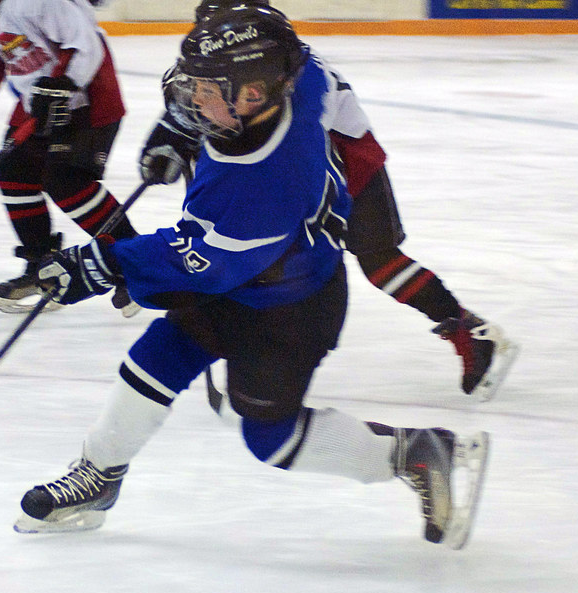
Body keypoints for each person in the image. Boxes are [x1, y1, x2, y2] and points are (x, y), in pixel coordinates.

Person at [13, 6, 490, 549]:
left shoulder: (266, 179)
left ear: (255, 95)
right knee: (157, 356)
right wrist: (177, 132)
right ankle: (98, 475)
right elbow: (292, 54)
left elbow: (197, 257)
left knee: (270, 437)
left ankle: (416, 453)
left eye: (209, 90)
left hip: (290, 308)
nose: (195, 98)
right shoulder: (295, 77)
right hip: (262, 271)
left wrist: (96, 266)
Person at [140, 0, 518, 400]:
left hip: (350, 168)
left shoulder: (296, 76)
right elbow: (198, 116)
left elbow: (280, 148)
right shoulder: (241, 70)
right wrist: (169, 139)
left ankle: (469, 330)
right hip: (303, 178)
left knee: (378, 262)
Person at [0, 0, 139, 315]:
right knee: (13, 170)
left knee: (66, 181)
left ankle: (135, 262)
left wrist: (63, 84)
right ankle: (41, 266)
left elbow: (85, 44)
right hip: (37, 104)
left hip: (89, 98)